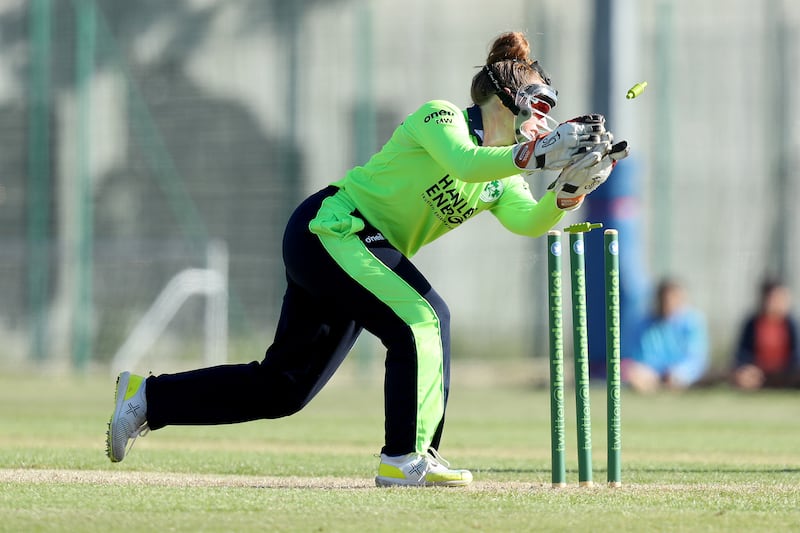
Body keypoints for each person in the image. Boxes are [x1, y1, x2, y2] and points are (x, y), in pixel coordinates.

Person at [106, 31, 628, 487]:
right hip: (334, 227)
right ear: (506, 99)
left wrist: (569, 190)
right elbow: (465, 164)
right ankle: (405, 457)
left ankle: (148, 398)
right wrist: (537, 155)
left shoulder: (503, 177)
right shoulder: (440, 117)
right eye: (538, 105)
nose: (545, 120)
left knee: (283, 388)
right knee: (425, 318)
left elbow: (529, 222)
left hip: (358, 253)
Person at [623, 278, 709, 392]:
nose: (669, 304)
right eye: (665, 300)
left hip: (684, 376)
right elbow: (638, 356)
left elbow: (696, 358)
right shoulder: (643, 324)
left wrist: (678, 373)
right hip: (650, 374)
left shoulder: (692, 323)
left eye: (673, 299)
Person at [730, 278, 800, 390]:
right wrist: (746, 368)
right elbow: (742, 353)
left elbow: (796, 354)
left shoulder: (791, 324)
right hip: (759, 373)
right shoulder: (752, 323)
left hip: (786, 372)